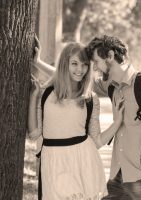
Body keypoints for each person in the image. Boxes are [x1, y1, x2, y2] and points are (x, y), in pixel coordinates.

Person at [35, 35, 141, 200]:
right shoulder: (111, 85)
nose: (95, 68)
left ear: (110, 56)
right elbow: (70, 77)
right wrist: (37, 63)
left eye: (97, 62)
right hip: (118, 176)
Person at [28, 42, 124, 200]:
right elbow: (34, 133)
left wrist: (117, 122)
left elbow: (96, 141)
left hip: (83, 161)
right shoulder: (45, 94)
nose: (80, 70)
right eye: (74, 63)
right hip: (53, 161)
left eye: (85, 65)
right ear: (65, 64)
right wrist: (33, 97)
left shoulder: (90, 99)